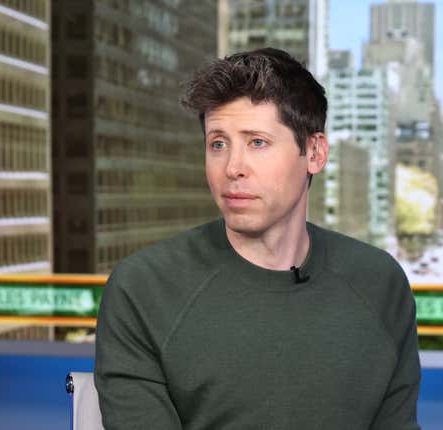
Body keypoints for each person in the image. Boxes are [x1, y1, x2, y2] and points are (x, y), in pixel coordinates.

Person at [94, 47, 421, 429]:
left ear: (314, 152)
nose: (232, 167)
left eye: (257, 142)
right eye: (218, 143)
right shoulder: (143, 289)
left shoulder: (380, 283)